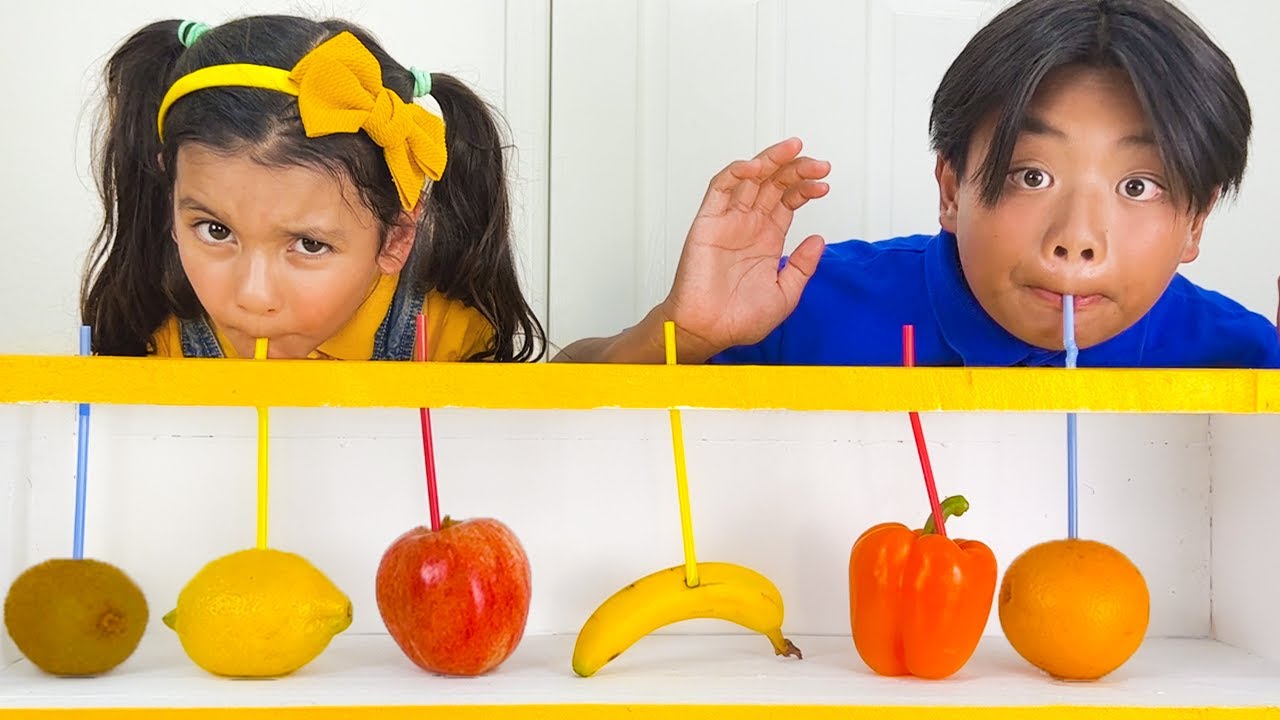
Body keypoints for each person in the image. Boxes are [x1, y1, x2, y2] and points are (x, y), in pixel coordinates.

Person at [554, 0, 1280, 368]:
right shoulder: (797, 307)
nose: (1077, 241)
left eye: (1138, 187)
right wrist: (677, 335)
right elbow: (548, 394)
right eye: (1031, 174)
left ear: (1196, 222)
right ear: (950, 188)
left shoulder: (1245, 356)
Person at [81, 16, 544, 362]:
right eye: (215, 230)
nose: (254, 296)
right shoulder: (156, 344)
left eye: (309, 244)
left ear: (397, 236)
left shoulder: (455, 344)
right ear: (171, 199)